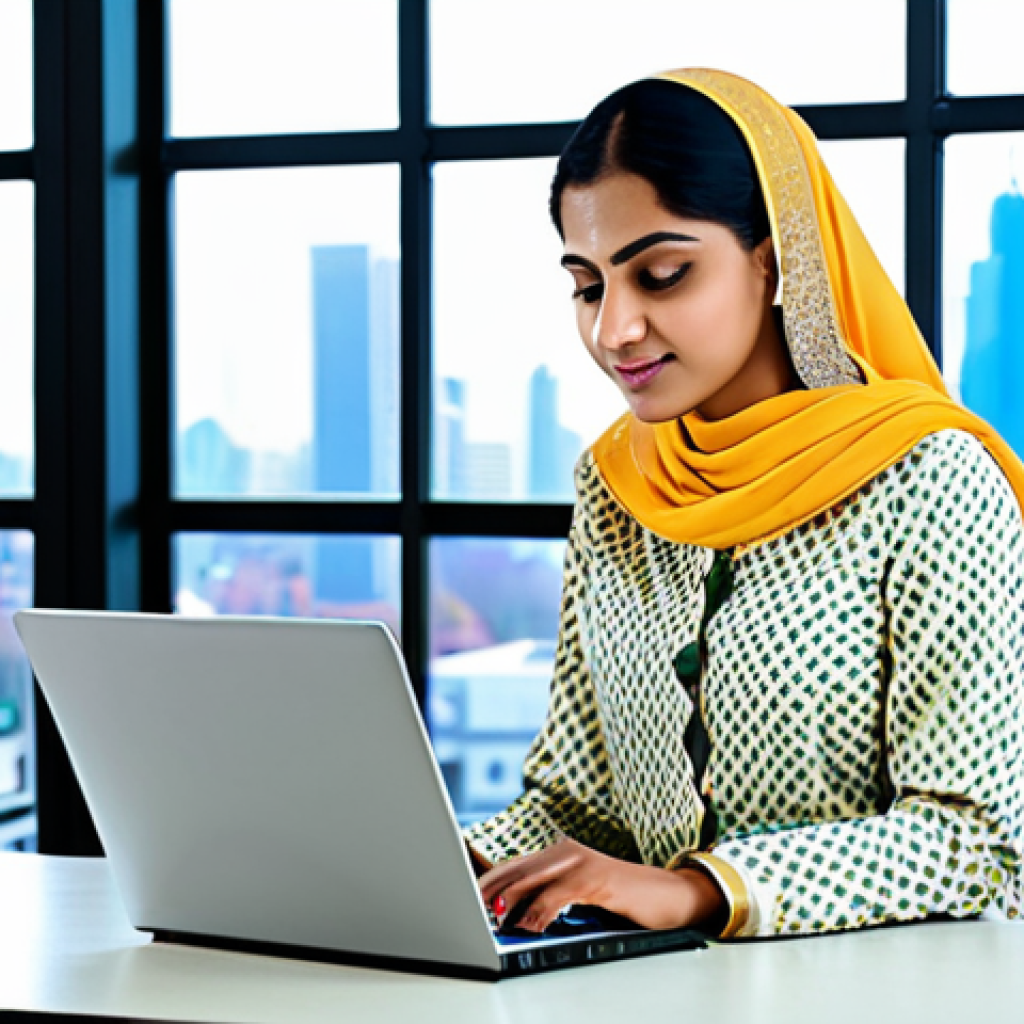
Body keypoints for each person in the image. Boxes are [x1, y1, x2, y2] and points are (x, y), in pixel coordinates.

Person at [464, 69, 1024, 939]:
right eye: (587, 285)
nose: (614, 329)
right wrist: (456, 863)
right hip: (654, 999)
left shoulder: (931, 481)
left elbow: (973, 843)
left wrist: (701, 890)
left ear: (773, 259)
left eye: (661, 274)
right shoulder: (617, 487)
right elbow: (580, 808)